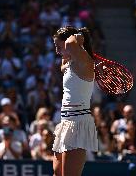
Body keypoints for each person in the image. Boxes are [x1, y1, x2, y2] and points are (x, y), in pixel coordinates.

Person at [52, 26, 98, 176]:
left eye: (59, 46)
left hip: (77, 124)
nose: (57, 51)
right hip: (65, 122)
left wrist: (79, 34)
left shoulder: (84, 61)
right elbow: (62, 65)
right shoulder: (72, 63)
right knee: (57, 173)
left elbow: (71, 43)